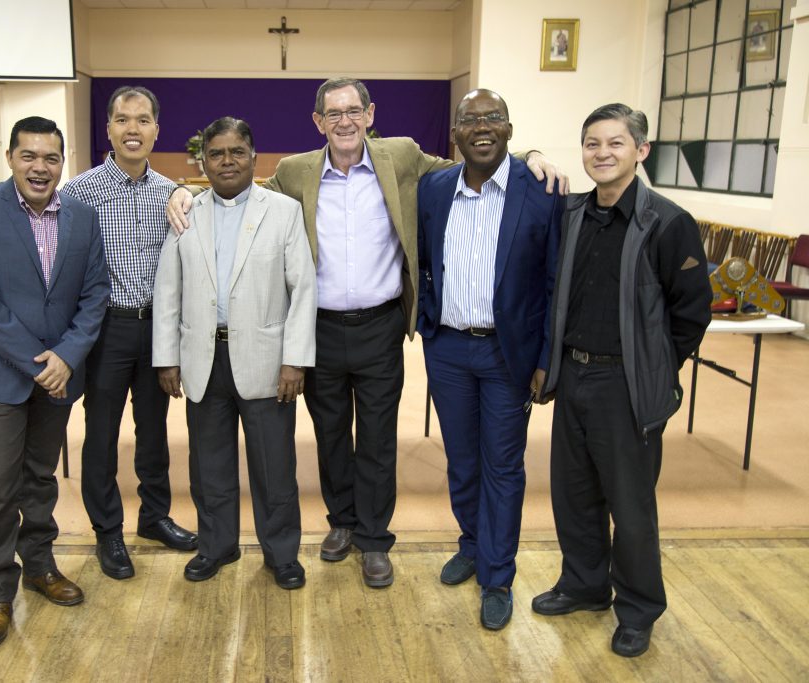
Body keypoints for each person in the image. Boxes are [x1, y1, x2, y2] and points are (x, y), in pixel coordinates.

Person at [167, 77, 568, 588]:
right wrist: (182, 191)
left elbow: (472, 165)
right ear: (318, 123)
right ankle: (343, 524)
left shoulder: (401, 156)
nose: (345, 121)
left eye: (353, 110)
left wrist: (532, 154)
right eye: (333, 114)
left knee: (378, 440)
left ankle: (376, 539)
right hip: (320, 329)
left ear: (370, 114)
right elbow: (242, 196)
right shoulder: (295, 171)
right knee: (331, 437)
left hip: (381, 326)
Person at [531, 103, 712, 657]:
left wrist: (656, 369)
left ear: (641, 150)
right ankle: (585, 586)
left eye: (614, 143)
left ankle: (637, 609)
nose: (601, 154)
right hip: (575, 377)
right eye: (591, 144)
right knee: (574, 493)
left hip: (626, 388)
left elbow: (691, 312)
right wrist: (533, 154)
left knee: (630, 508)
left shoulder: (667, 222)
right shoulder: (574, 214)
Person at [0, 116, 110, 648]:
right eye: (29, 156)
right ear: (11, 157)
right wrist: (39, 363)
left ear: (62, 161)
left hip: (59, 376)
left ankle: (41, 567)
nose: (40, 168)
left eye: (51, 158)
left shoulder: (84, 217)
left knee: (40, 476)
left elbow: (94, 295)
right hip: (1, 374)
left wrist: (65, 357)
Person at [417, 89, 562, 630]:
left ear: (509, 129)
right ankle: (473, 545)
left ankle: (497, 575)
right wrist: (428, 322)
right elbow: (425, 258)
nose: (482, 128)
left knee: (503, 465)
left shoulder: (541, 190)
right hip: (449, 348)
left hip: (509, 353)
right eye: (470, 120)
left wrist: (546, 355)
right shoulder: (432, 189)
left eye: (493, 119)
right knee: (461, 460)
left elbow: (552, 283)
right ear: (454, 134)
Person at [152, 117, 316, 589]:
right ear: (203, 160)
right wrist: (167, 357)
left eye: (236, 152)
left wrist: (294, 360)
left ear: (253, 157)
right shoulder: (185, 213)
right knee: (209, 467)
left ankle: (282, 554)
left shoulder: (282, 211)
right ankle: (216, 546)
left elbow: (302, 288)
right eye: (217, 153)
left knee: (274, 467)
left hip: (267, 361)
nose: (227, 161)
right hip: (202, 359)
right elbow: (169, 291)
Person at [62, 86, 197, 583]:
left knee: (154, 430)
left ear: (156, 129)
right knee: (101, 434)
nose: (133, 129)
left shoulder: (171, 192)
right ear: (109, 129)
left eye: (143, 120)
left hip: (156, 329)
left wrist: (190, 189)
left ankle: (154, 516)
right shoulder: (78, 193)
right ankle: (107, 529)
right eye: (123, 120)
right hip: (104, 329)